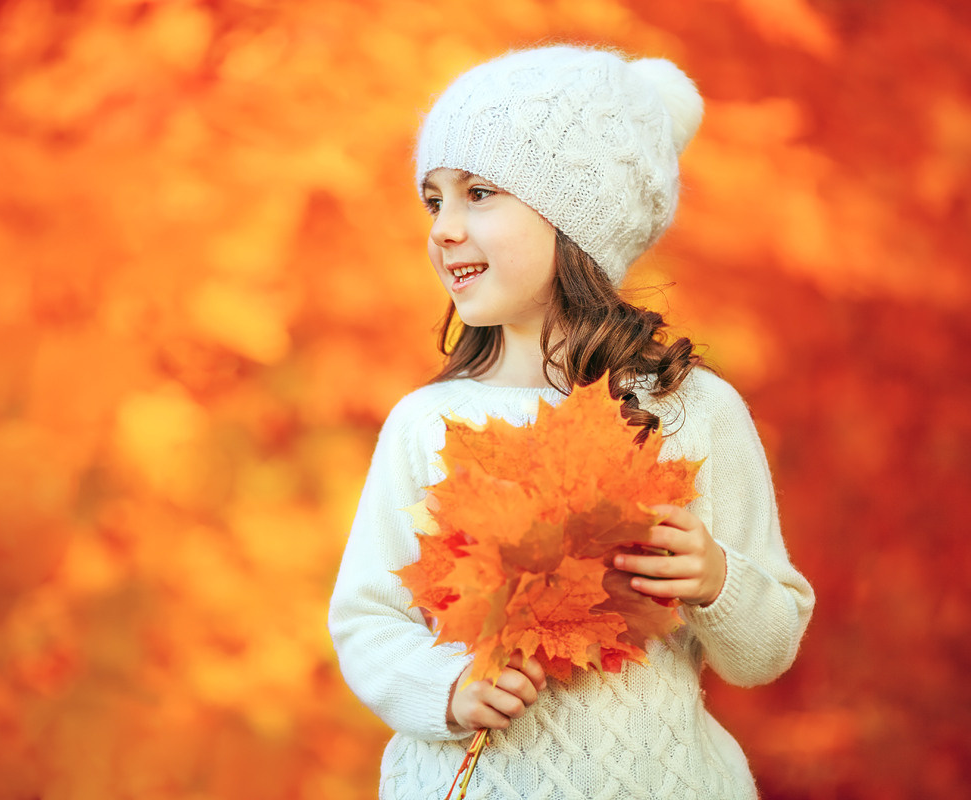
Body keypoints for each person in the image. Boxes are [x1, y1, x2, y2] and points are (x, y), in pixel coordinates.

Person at [328, 45, 814, 799]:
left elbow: (768, 647)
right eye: (435, 200)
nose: (444, 228)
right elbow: (367, 617)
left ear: (579, 217)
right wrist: (446, 688)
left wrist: (717, 578)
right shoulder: (427, 426)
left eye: (478, 193)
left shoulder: (690, 411)